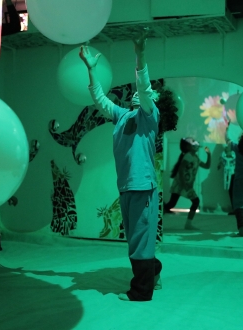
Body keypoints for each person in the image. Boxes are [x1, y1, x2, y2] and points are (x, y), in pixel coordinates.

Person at [79, 29, 162, 302]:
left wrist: (140, 55)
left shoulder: (150, 117)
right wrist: (92, 70)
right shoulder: (122, 116)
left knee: (139, 238)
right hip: (126, 186)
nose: (140, 96)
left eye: (146, 95)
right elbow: (100, 100)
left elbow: (144, 88)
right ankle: (154, 271)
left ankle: (141, 292)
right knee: (136, 239)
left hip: (142, 185)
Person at [164, 137, 211, 229]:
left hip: (186, 185)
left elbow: (206, 166)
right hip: (181, 184)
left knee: (173, 204)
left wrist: (209, 154)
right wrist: (184, 184)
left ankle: (188, 224)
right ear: (188, 147)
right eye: (192, 143)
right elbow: (181, 170)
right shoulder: (188, 156)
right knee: (172, 204)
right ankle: (188, 224)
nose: (195, 144)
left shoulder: (195, 158)